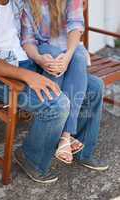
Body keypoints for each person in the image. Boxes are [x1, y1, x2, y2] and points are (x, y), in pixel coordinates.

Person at [0, 0, 71, 183]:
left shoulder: (16, 3)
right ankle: (31, 158)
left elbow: (30, 37)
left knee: (92, 84)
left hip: (25, 62)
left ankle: (64, 139)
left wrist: (42, 59)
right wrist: (27, 76)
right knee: (58, 105)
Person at [21, 0, 109, 170]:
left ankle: (72, 142)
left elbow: (75, 26)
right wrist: (40, 59)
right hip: (44, 60)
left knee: (93, 81)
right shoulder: (26, 4)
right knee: (54, 53)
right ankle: (61, 140)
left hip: (70, 54)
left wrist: (67, 56)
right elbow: (28, 40)